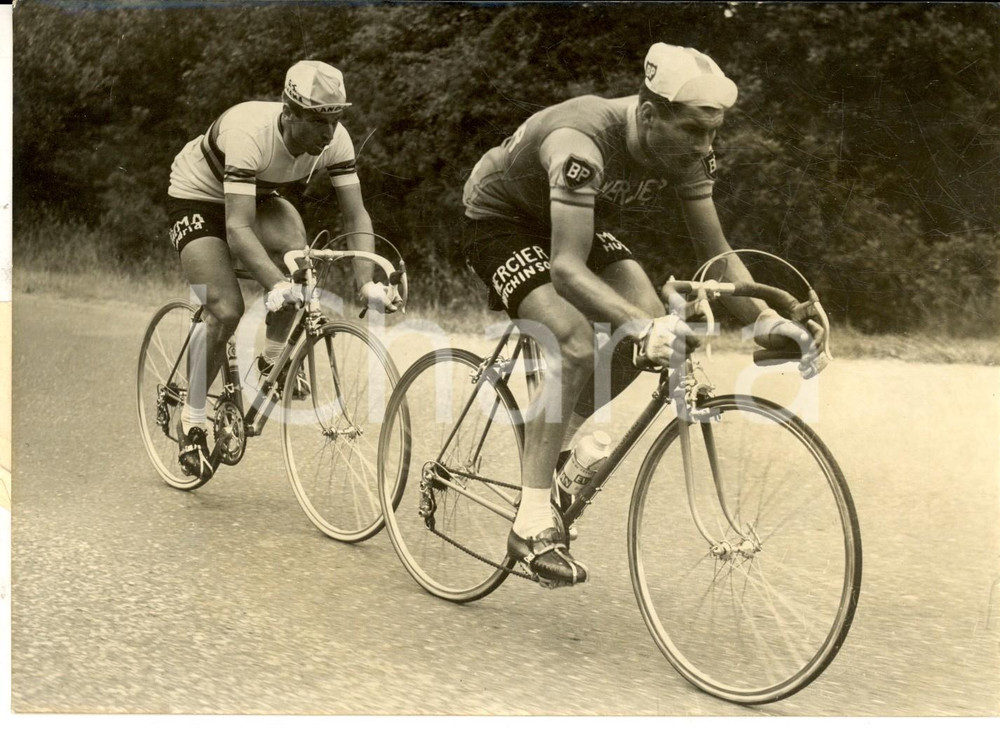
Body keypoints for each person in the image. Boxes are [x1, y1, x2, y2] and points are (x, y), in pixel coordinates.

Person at [462, 43, 822, 587]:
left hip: (572, 218)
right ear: (649, 115)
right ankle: (530, 522)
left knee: (654, 327)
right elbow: (565, 269)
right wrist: (642, 325)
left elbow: (715, 249)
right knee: (580, 341)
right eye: (694, 133)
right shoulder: (580, 142)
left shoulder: (682, 150)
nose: (706, 148)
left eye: (713, 134)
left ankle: (557, 444)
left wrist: (765, 321)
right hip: (500, 219)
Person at [166, 59, 400, 478]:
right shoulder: (248, 133)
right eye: (317, 123)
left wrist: (366, 282)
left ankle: (270, 364)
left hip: (254, 193)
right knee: (226, 309)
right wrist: (274, 284)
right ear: (288, 113)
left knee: (301, 262)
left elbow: (356, 216)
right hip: (198, 196)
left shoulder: (336, 140)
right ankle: (192, 420)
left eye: (335, 122)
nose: (328, 135)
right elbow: (237, 228)